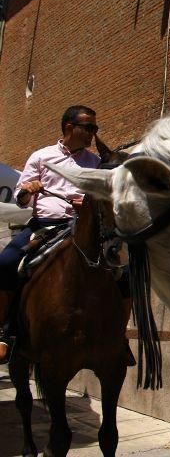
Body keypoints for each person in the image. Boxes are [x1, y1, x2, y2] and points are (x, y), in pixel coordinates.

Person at [0, 105, 101, 363]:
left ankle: (116, 337)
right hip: (44, 225)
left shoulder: (96, 163)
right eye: (89, 128)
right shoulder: (42, 156)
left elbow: (102, 199)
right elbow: (21, 199)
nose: (94, 134)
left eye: (95, 128)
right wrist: (29, 189)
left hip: (82, 226)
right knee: (6, 262)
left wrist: (89, 204)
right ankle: (4, 332)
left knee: (121, 265)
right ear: (70, 127)